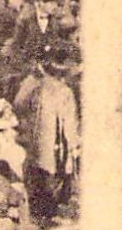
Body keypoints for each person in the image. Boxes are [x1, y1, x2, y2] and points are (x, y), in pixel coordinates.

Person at [13, 56, 80, 221]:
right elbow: (69, 124)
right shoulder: (65, 92)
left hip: (34, 139)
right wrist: (75, 145)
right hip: (54, 142)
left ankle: (38, 210)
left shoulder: (34, 85)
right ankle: (50, 211)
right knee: (55, 174)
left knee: (37, 172)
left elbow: (18, 104)